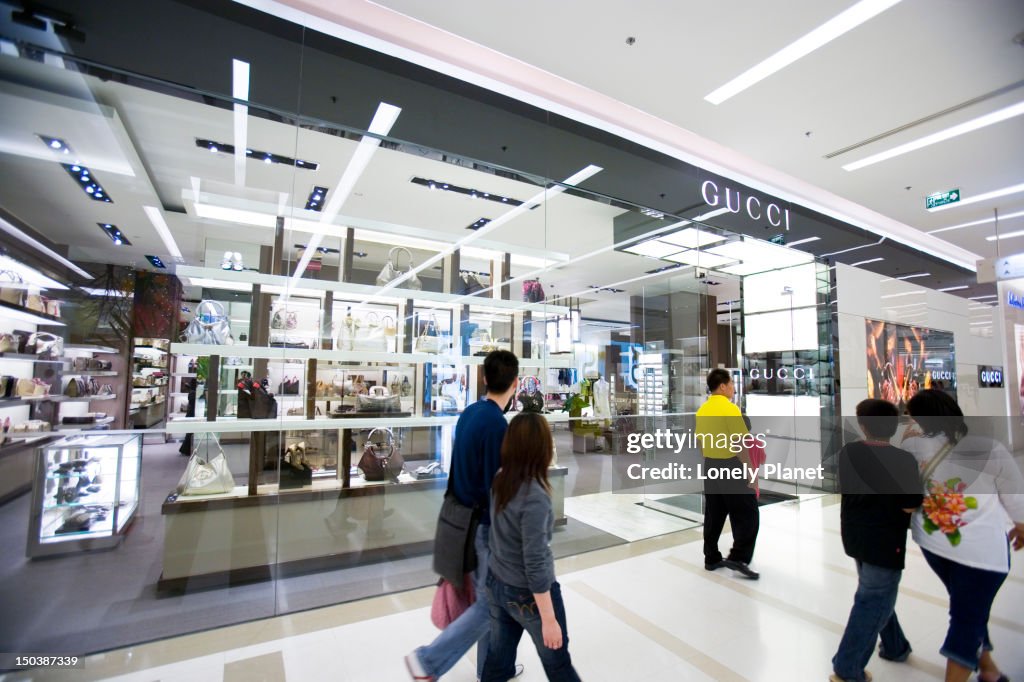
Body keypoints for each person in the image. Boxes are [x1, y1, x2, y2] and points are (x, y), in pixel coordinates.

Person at [406, 350, 525, 681]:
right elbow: (496, 488)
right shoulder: (497, 426)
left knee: (486, 599)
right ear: (515, 383)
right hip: (484, 528)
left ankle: (491, 671)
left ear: (485, 379)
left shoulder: (470, 413)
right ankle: (428, 661)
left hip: (459, 519)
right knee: (492, 605)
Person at [903, 390, 1024, 682]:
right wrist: (1021, 526)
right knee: (967, 618)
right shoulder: (988, 447)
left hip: (932, 544)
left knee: (967, 606)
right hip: (982, 552)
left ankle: (988, 669)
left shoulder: (911, 446)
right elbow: (1015, 496)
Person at [480, 412, 581, 682]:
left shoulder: (502, 477)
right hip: (526, 594)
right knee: (558, 664)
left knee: (498, 661)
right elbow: (535, 560)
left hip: (497, 581)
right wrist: (548, 619)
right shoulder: (535, 495)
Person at [830, 399, 923, 682]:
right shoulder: (903, 459)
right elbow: (910, 504)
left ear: (862, 426)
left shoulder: (849, 453)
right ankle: (847, 667)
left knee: (877, 594)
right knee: (873, 600)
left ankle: (895, 646)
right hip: (884, 541)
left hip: (855, 536)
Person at [695, 368, 760, 579]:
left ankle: (711, 557)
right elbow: (740, 443)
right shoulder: (730, 409)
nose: (733, 388)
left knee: (714, 513)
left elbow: (700, 443)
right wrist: (750, 471)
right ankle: (738, 557)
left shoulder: (702, 410)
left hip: (711, 465)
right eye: (731, 384)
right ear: (722, 386)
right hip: (731, 465)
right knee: (748, 512)